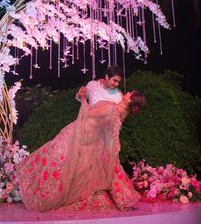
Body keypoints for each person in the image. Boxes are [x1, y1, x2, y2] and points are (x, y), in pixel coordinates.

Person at [16, 88, 146, 213]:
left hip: (79, 133)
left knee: (55, 157)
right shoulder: (121, 112)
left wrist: (83, 98)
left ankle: (45, 196)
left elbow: (87, 113)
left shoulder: (112, 108)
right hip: (89, 136)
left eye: (130, 94)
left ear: (130, 100)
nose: (127, 92)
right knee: (65, 162)